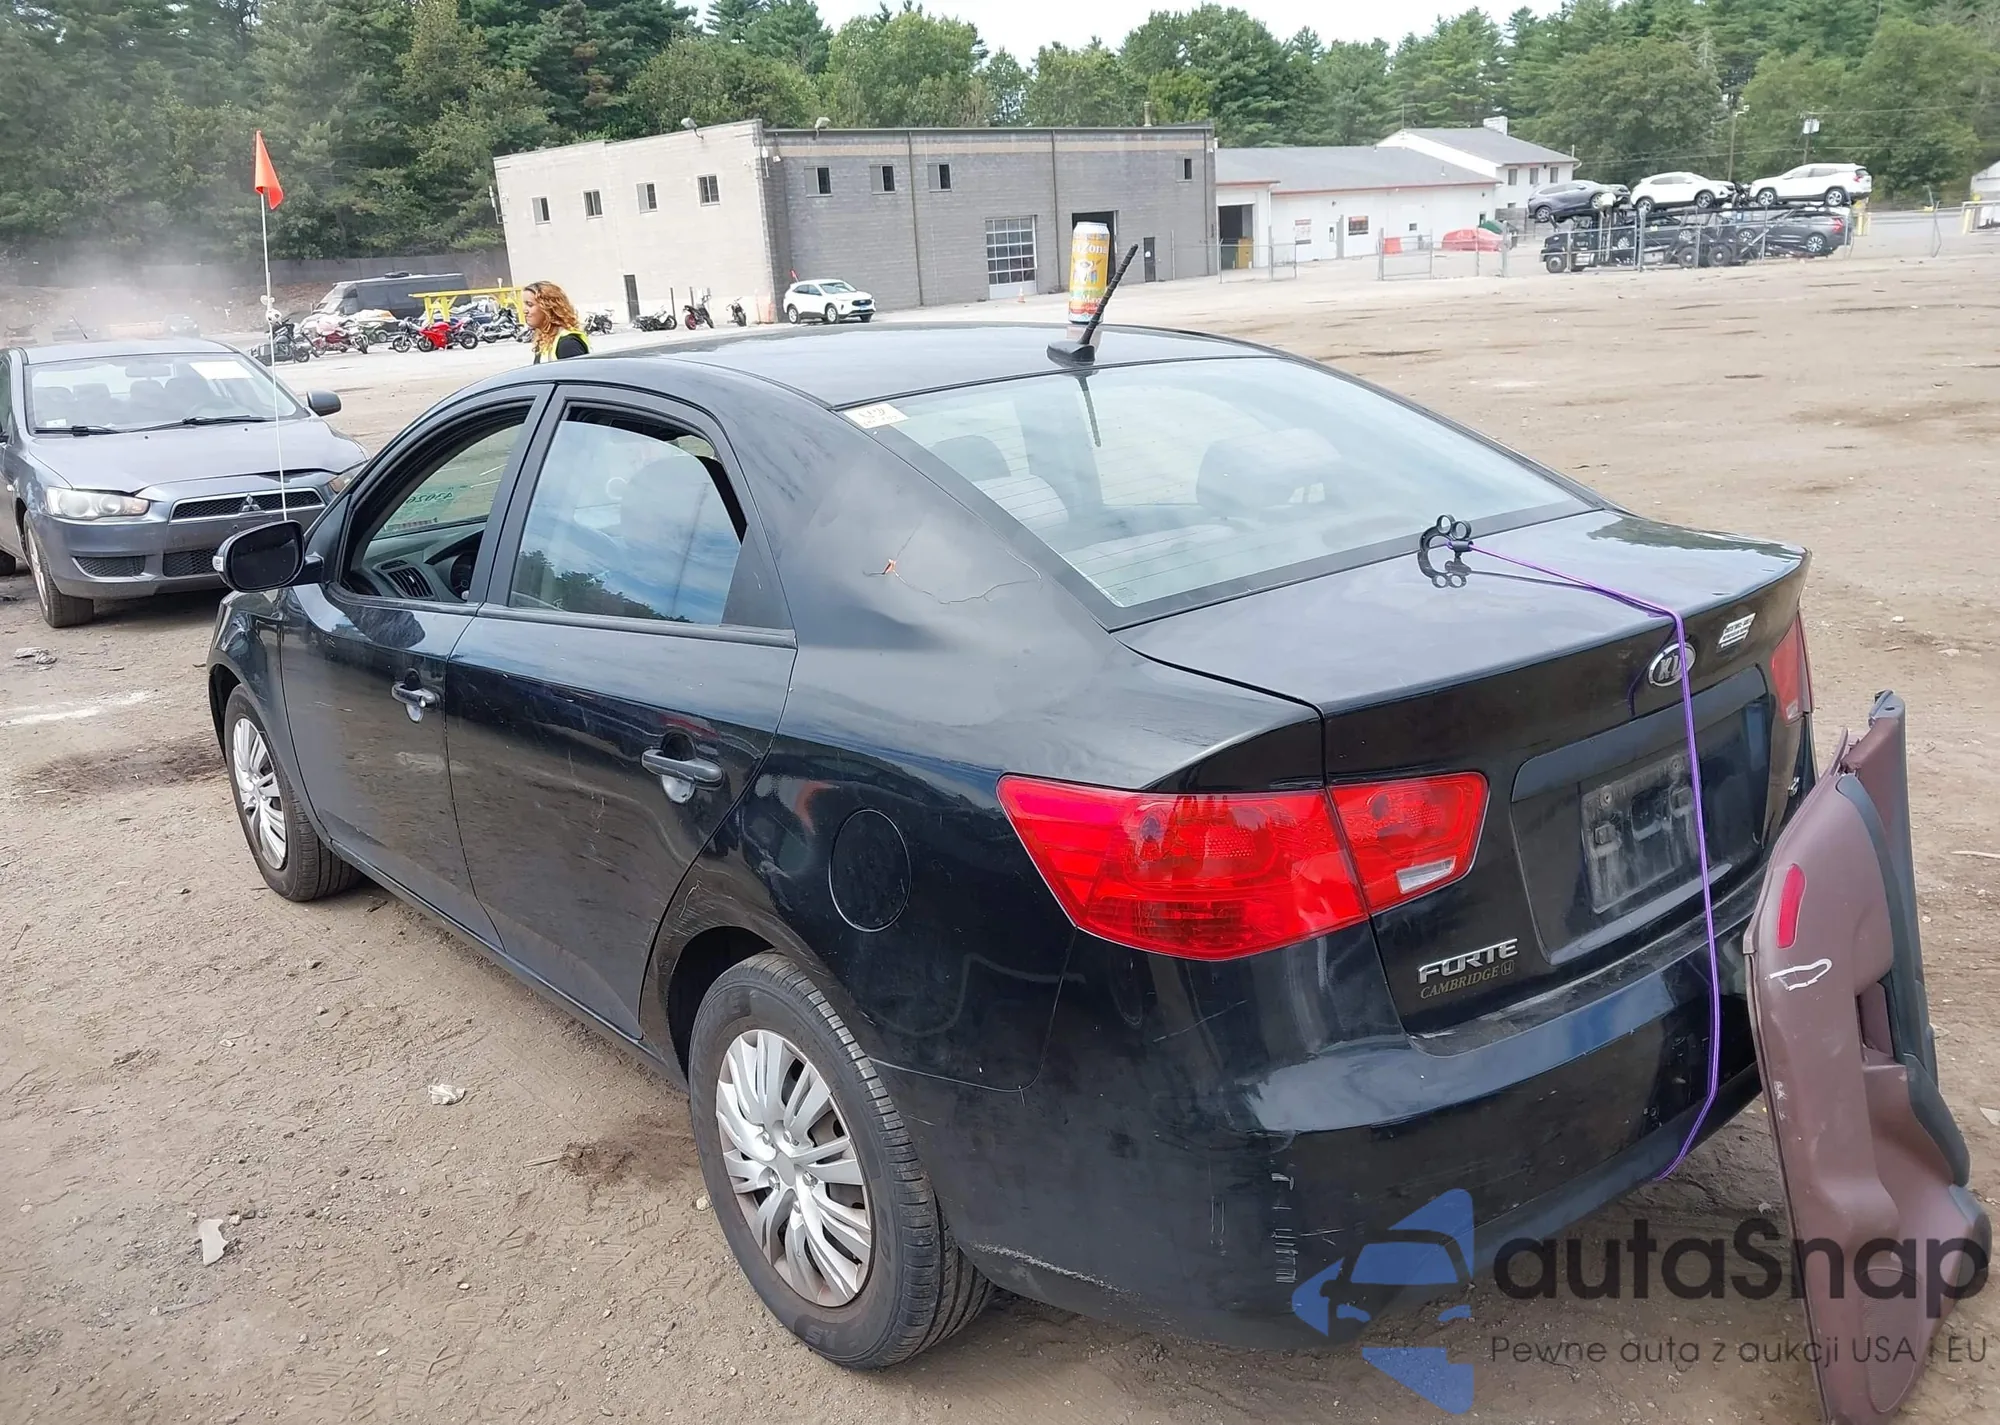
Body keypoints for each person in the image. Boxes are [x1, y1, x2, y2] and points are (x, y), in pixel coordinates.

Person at [523, 281, 589, 363]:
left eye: (530, 305)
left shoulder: (567, 344)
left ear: (548, 307)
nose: (524, 310)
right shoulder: (544, 340)